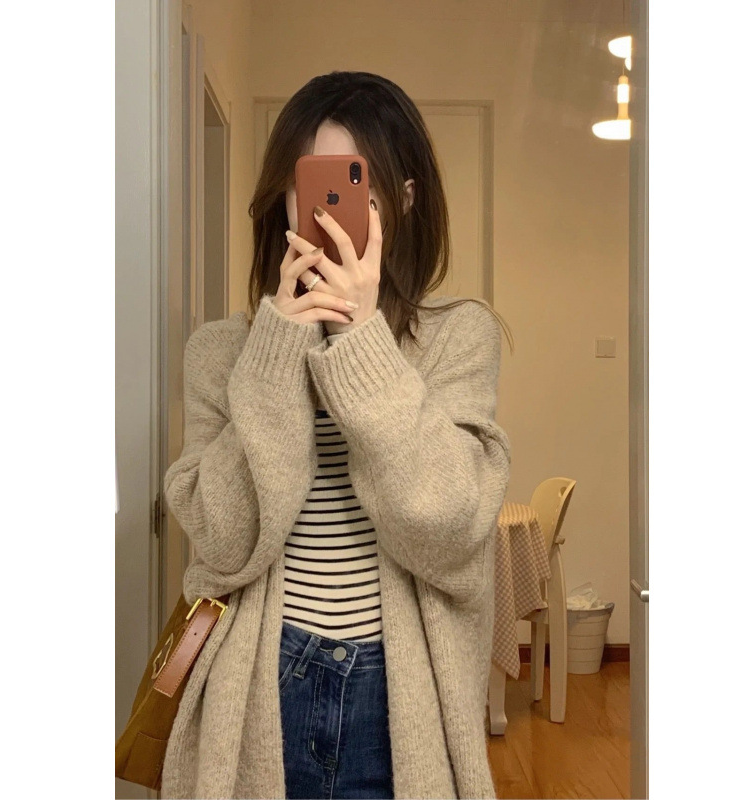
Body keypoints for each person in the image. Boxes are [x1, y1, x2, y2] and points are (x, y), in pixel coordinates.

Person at [160, 71, 512, 800]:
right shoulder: (219, 352)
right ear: (283, 198)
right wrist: (274, 354)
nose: (326, 210)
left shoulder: (459, 337)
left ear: (403, 200)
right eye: (310, 183)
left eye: (354, 184)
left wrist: (361, 341)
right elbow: (222, 544)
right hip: (259, 682)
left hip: (399, 691)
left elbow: (452, 529)